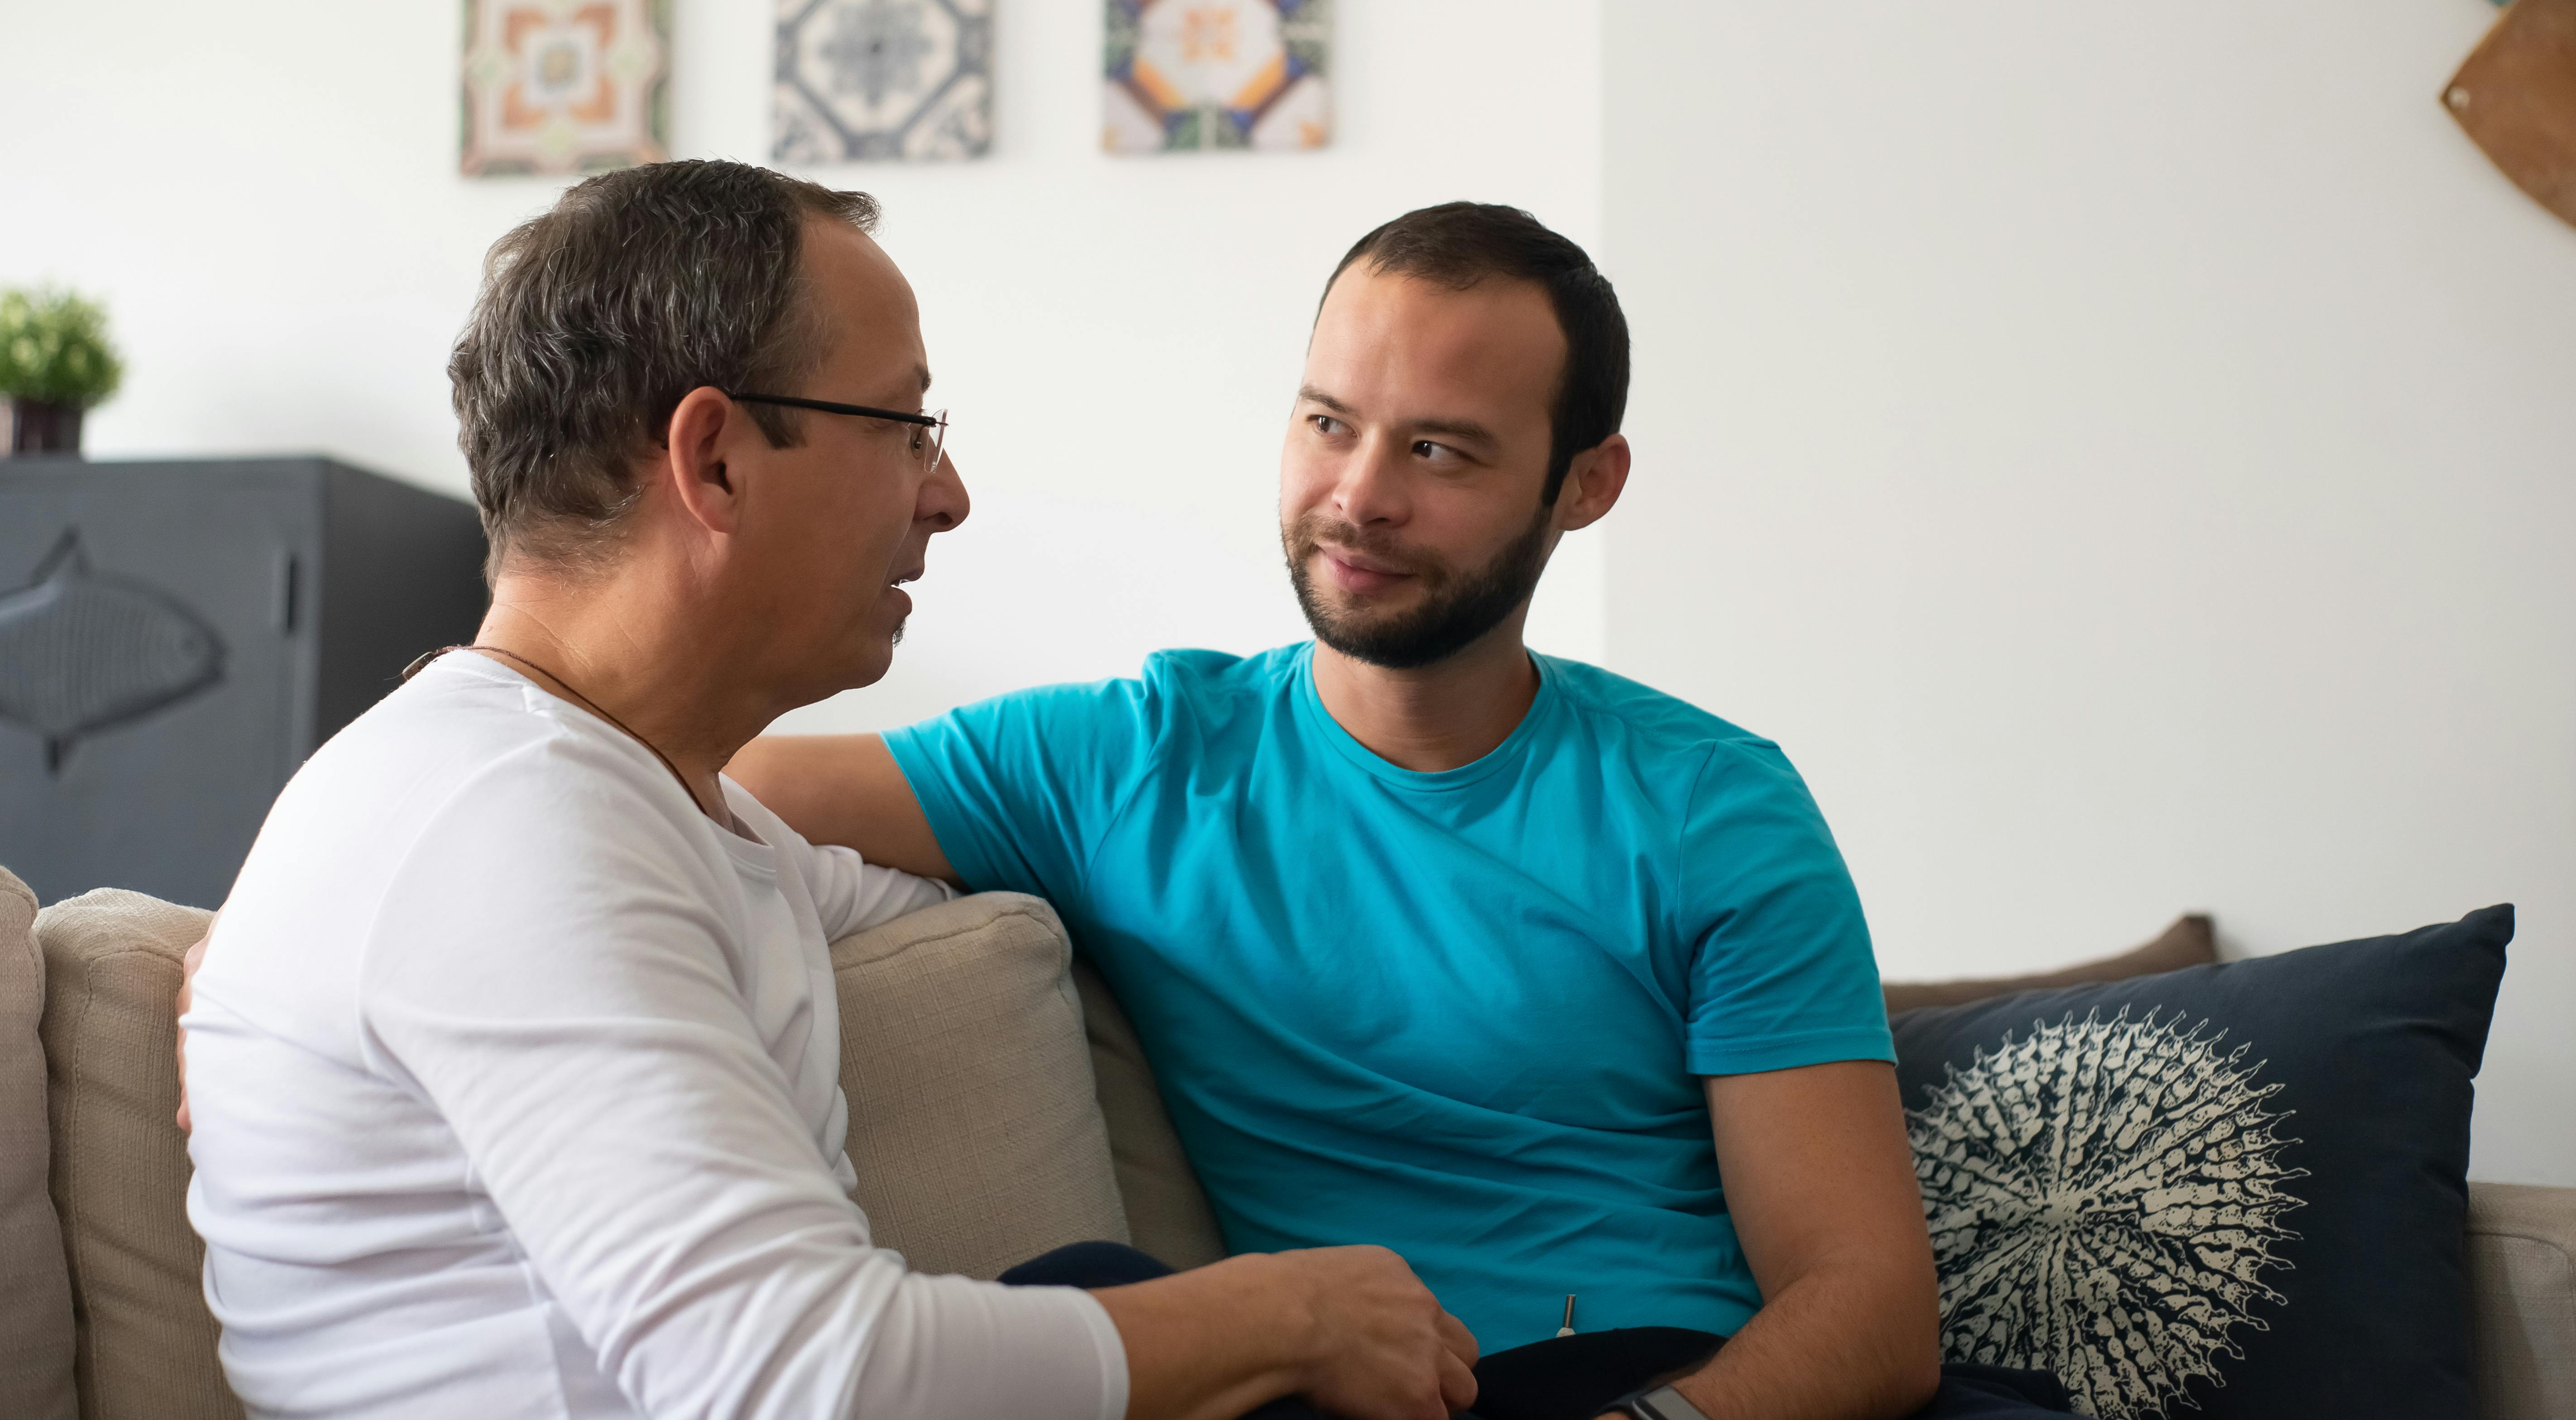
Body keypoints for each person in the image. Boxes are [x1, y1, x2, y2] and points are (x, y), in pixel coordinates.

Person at [175, 161, 1478, 1420]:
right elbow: (799, 1383)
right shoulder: (509, 824)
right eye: (908, 426)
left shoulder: (623, 811)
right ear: (717, 460)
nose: (948, 496)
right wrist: (1293, 1315)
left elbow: (916, 899)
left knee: (1099, 1296)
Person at [728, 204, 2070, 1420]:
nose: (1359, 496)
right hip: (1362, 1395)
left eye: (1437, 449)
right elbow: (702, 781)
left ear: (1584, 485)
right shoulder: (1125, 761)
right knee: (1071, 1289)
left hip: (1682, 1392)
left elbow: (1866, 1310)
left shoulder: (1712, 802)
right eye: (1328, 423)